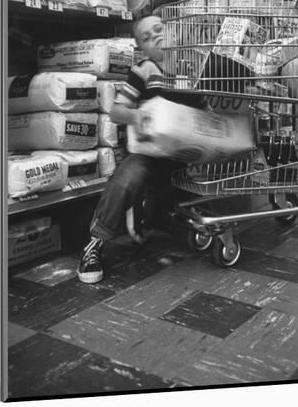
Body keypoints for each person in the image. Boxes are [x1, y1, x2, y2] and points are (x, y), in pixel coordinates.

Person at [77, 15, 209, 284]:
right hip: (147, 153)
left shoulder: (190, 70)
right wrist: (139, 117)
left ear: (173, 31)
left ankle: (146, 211)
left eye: (159, 30)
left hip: (179, 155)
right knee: (127, 181)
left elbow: (203, 110)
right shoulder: (144, 70)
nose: (156, 38)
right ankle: (94, 245)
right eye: (147, 37)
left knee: (181, 199)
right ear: (141, 48)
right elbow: (116, 111)